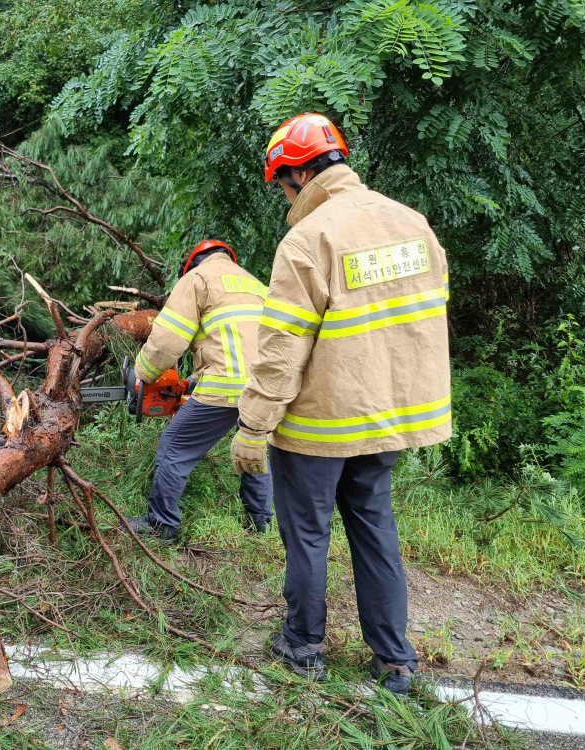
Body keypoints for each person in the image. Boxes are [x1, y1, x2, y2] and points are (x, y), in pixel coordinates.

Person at [230, 113, 451, 695]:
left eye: (282, 184)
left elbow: (281, 348)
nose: (285, 197)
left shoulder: (309, 239)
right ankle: (395, 662)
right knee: (375, 527)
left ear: (300, 174)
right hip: (386, 418)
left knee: (307, 534)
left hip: (320, 424)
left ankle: (303, 648)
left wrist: (253, 426)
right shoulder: (412, 222)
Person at [126, 239, 274, 543]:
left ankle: (161, 524)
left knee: (174, 447)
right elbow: (236, 342)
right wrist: (194, 379)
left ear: (192, 262)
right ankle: (261, 525)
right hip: (265, 387)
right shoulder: (256, 285)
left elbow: (167, 341)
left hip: (226, 386)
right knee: (252, 450)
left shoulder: (197, 279)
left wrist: (142, 376)